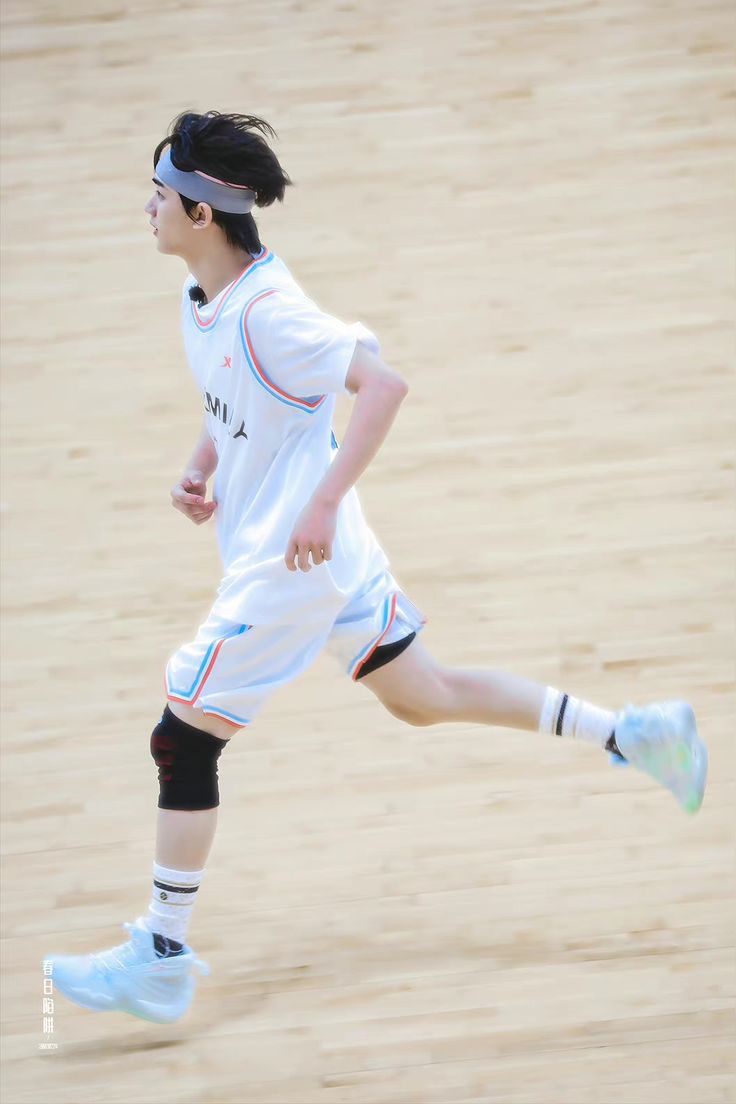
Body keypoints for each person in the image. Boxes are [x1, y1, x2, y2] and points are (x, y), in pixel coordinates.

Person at [45, 111, 707, 1025]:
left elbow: (382, 384)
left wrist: (319, 499)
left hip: (294, 562)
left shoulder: (274, 311)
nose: (146, 204)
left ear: (202, 214)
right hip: (325, 553)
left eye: (160, 191)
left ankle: (160, 953)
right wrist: (203, 461)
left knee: (182, 738)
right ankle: (636, 733)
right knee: (423, 695)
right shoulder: (210, 295)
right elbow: (237, 390)